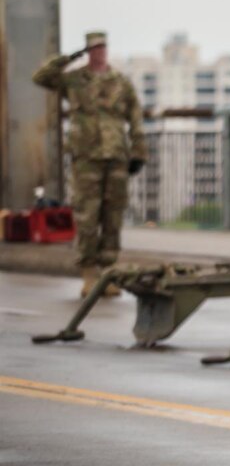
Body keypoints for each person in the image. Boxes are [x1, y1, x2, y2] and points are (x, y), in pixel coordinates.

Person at [34, 32, 142, 296]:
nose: (99, 52)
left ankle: (108, 273)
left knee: (113, 214)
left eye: (102, 47)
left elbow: (135, 116)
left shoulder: (120, 82)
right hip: (86, 156)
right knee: (87, 215)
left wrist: (139, 152)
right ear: (88, 51)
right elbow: (41, 77)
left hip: (116, 155)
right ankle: (89, 276)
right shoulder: (74, 79)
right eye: (93, 48)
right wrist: (70, 57)